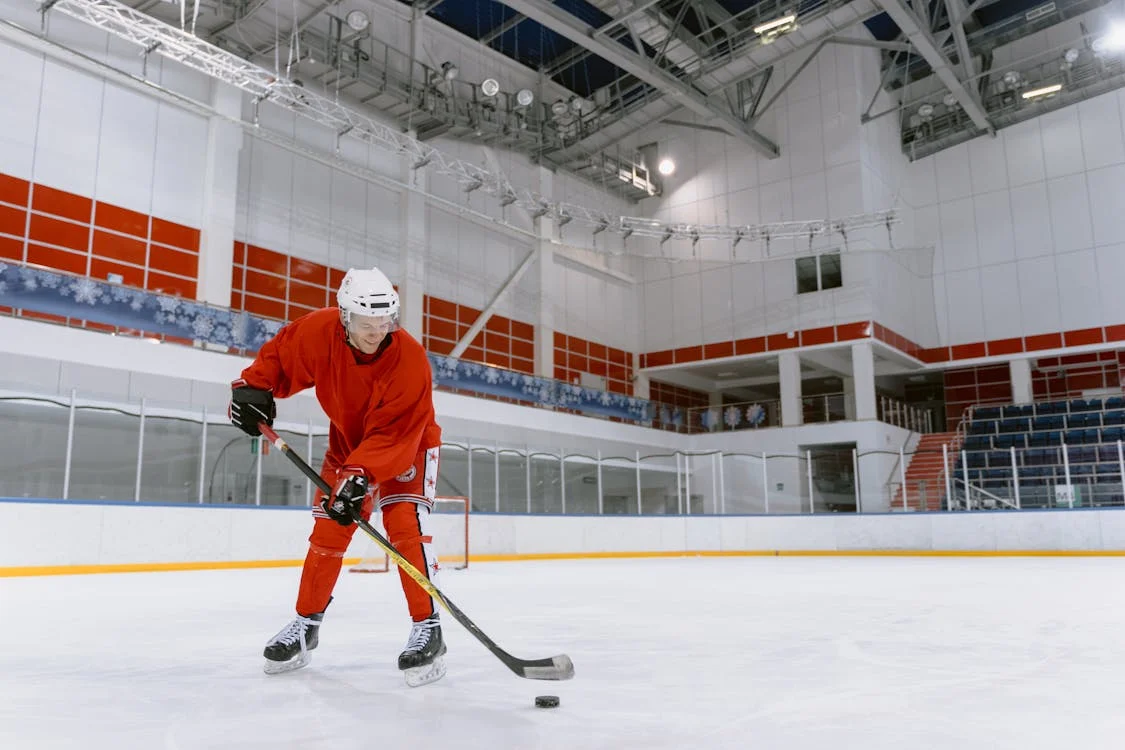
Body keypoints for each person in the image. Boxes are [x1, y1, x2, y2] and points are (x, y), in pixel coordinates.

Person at [228, 266, 446, 686]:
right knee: (328, 531)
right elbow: (282, 353)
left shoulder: (411, 360)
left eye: (385, 323)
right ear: (346, 317)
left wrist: (361, 476)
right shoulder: (321, 331)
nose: (377, 332)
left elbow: (395, 432)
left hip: (408, 444)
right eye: (367, 324)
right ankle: (305, 624)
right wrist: (254, 387)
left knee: (403, 525)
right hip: (348, 446)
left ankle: (428, 627)